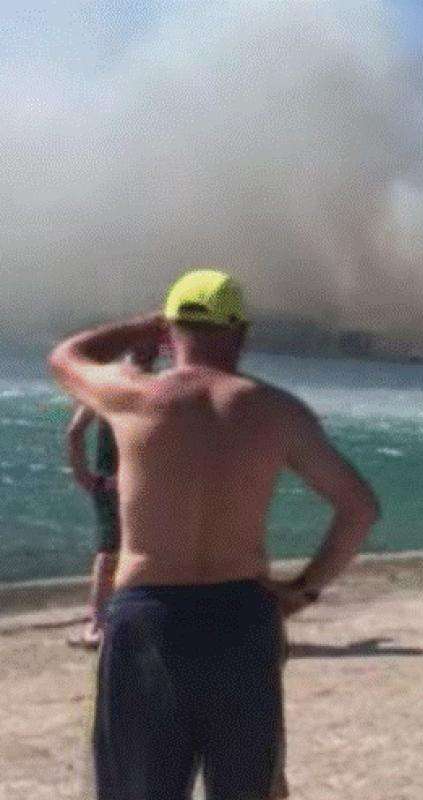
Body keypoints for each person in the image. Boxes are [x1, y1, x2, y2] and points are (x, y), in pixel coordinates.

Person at [47, 268, 379, 800]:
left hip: (148, 619)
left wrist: (143, 326)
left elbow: (66, 356)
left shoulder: (134, 398)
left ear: (169, 334)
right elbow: (359, 508)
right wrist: (303, 591)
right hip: (241, 615)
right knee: (249, 788)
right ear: (242, 335)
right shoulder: (277, 411)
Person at [65, 344, 158, 649]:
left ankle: (127, 622)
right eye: (143, 350)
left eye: (152, 350)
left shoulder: (156, 389)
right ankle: (97, 623)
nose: (148, 355)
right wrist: (83, 474)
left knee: (142, 554)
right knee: (109, 554)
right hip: (111, 484)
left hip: (142, 484)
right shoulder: (109, 389)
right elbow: (75, 430)